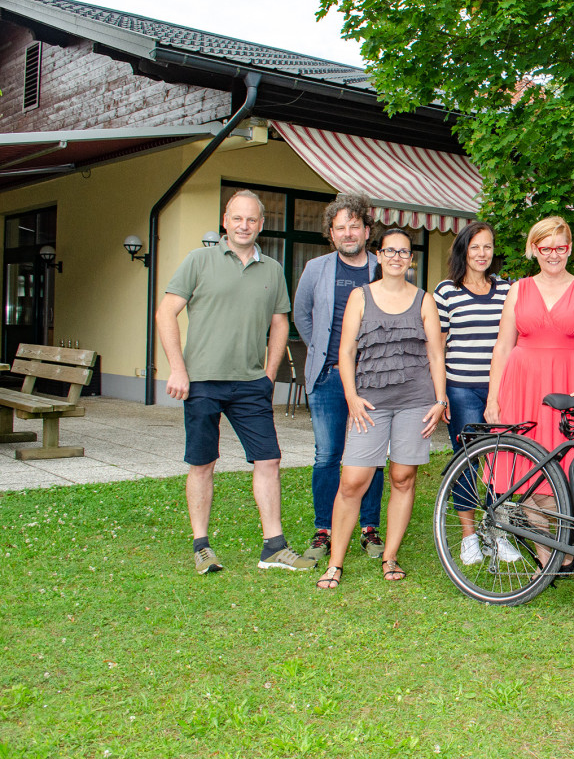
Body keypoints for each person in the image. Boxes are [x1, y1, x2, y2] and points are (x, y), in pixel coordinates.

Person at [157, 189, 314, 574]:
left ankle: (274, 547)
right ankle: (202, 546)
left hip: (250, 384)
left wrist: (269, 372)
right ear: (225, 221)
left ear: (262, 224)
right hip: (202, 382)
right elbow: (166, 313)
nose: (244, 226)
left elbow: (280, 321)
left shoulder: (273, 270)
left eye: (252, 219)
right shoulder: (199, 260)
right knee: (202, 462)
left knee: (269, 459)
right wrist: (178, 369)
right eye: (237, 218)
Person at [317, 228, 448, 588]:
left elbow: (436, 353)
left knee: (403, 478)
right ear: (378, 256)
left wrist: (440, 399)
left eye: (403, 252)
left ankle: (390, 557)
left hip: (415, 402)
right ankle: (336, 562)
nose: (396, 257)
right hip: (369, 403)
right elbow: (346, 352)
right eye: (389, 251)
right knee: (352, 481)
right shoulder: (361, 297)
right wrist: (351, 397)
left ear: (411, 259)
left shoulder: (424, 300)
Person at [486, 216, 574, 570]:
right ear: (534, 249)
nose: (554, 255)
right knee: (524, 474)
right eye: (546, 247)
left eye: (561, 247)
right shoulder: (518, 290)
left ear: (570, 248)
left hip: (565, 386)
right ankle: (547, 554)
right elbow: (503, 347)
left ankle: (560, 546)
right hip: (521, 385)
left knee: (557, 476)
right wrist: (493, 398)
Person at [293, 193, 385, 564]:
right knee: (328, 455)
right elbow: (302, 316)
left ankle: (369, 527)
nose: (348, 233)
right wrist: (320, 350)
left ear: (367, 230)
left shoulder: (381, 268)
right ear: (331, 233)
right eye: (340, 227)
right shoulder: (316, 269)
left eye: (354, 226)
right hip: (328, 377)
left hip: (372, 382)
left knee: (372, 456)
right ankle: (324, 530)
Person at [433, 221, 512, 565]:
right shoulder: (446, 292)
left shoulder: (509, 290)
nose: (482, 253)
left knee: (502, 460)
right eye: (475, 246)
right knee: (467, 461)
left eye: (488, 247)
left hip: (500, 389)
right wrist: (441, 394)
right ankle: (468, 538)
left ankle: (497, 531)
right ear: (464, 249)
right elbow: (437, 346)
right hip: (461, 387)